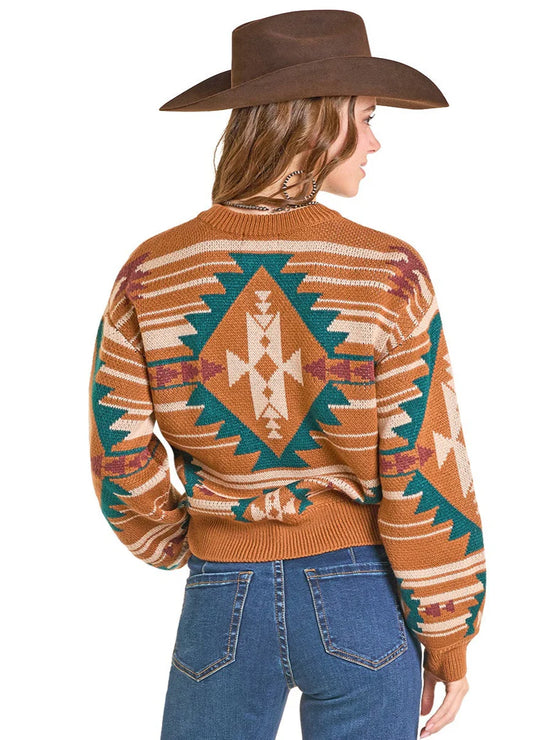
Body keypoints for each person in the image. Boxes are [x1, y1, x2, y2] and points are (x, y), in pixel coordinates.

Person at [88, 10, 487, 739]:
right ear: (316, 120)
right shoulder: (387, 273)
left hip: (220, 597)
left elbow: (119, 450)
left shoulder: (153, 271)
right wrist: (446, 630)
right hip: (363, 595)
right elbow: (424, 461)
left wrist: (185, 538)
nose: (375, 142)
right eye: (365, 118)